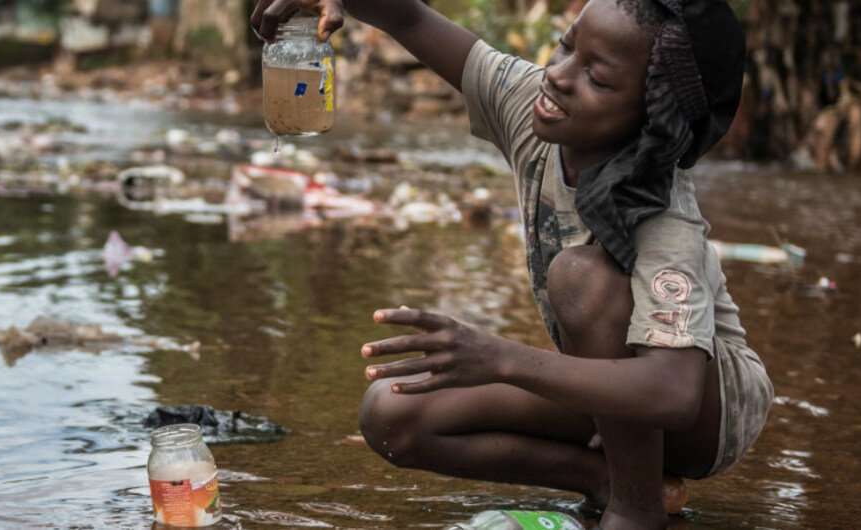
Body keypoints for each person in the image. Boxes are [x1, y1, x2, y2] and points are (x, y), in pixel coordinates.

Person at [251, 1, 774, 529]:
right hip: (612, 389)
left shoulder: (663, 213)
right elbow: (409, 19)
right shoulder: (533, 103)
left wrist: (501, 359)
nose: (558, 74)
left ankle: (635, 514)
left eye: (597, 77)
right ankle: (605, 481)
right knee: (392, 412)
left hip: (708, 412)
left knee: (581, 277)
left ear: (651, 119)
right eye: (568, 45)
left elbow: (674, 393)